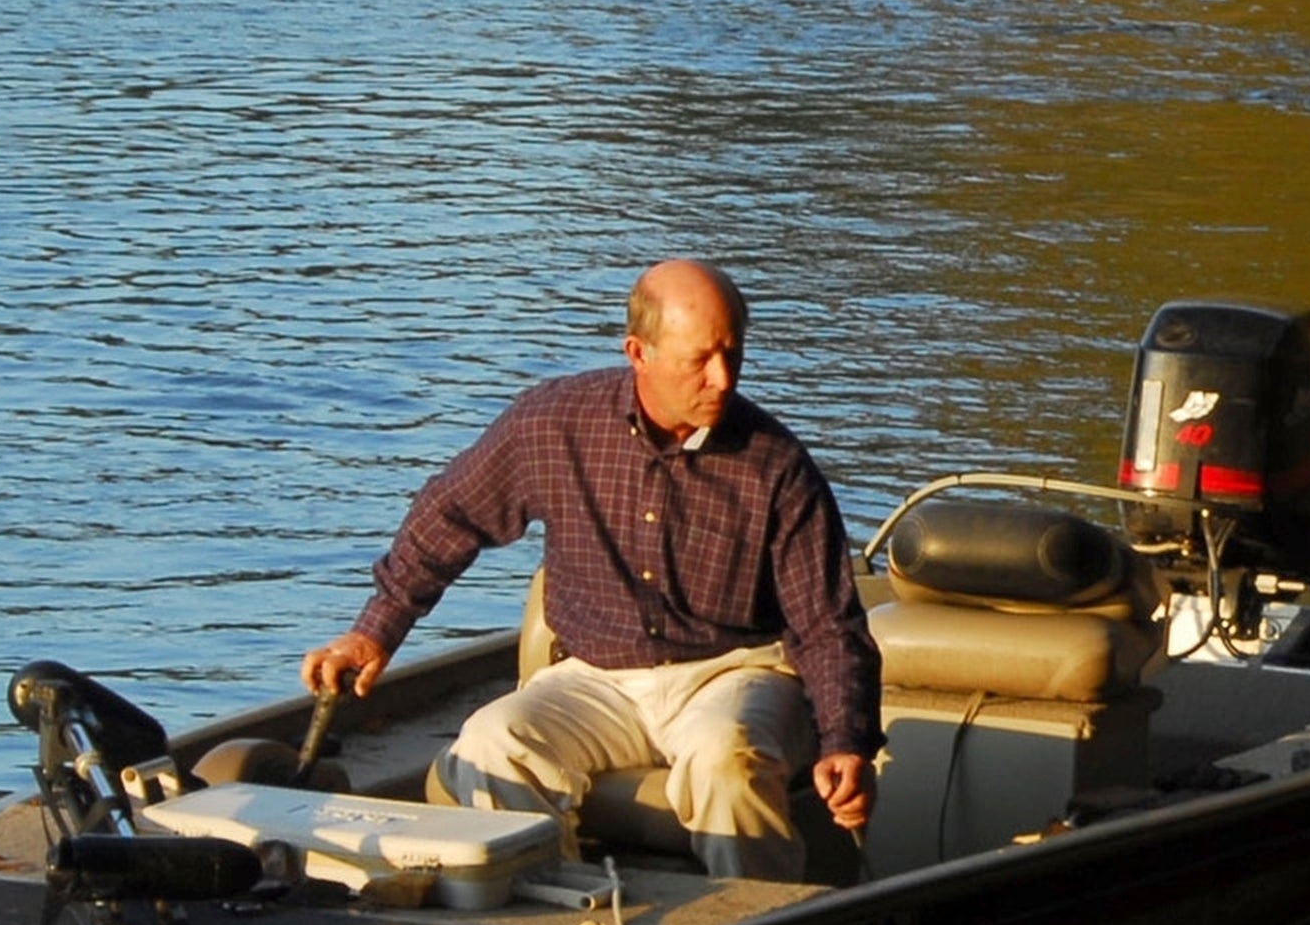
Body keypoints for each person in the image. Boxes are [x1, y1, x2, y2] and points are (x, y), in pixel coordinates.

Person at [304, 260, 880, 879]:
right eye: (700, 360)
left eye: (732, 356)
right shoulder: (553, 424)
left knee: (725, 760)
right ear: (639, 352)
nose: (722, 379)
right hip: (594, 677)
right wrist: (374, 630)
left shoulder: (778, 466)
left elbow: (828, 625)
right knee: (492, 744)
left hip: (733, 673)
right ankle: (556, 917)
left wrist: (845, 740)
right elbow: (449, 516)